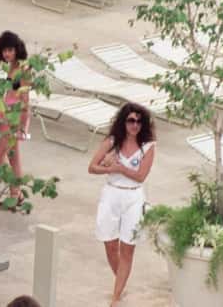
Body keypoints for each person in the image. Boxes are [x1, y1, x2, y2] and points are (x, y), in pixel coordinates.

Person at [88, 102, 156, 307]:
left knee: (127, 248)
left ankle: (115, 298)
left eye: (139, 121)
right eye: (131, 121)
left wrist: (119, 168)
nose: (135, 125)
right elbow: (92, 167)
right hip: (111, 195)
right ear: (124, 122)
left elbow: (141, 176)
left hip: (133, 198)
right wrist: (110, 169)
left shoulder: (148, 146)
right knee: (110, 246)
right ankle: (121, 281)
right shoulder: (112, 142)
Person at [0, 31, 30, 209]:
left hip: (13, 117)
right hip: (4, 114)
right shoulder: (8, 67)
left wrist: (23, 125)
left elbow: (25, 99)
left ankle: (15, 191)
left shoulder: (23, 69)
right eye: (4, 50)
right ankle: (16, 194)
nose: (7, 54)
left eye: (10, 50)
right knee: (13, 157)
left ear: (17, 49)